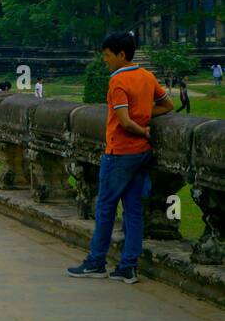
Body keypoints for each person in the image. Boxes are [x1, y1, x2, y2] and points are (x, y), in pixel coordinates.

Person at [68, 31, 173, 284]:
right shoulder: (146, 76)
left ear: (121, 55)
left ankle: (96, 261)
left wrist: (140, 128)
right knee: (133, 210)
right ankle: (128, 266)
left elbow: (124, 122)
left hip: (119, 151)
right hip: (140, 154)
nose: (105, 60)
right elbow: (167, 105)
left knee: (105, 207)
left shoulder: (117, 81)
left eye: (107, 55)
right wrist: (145, 117)